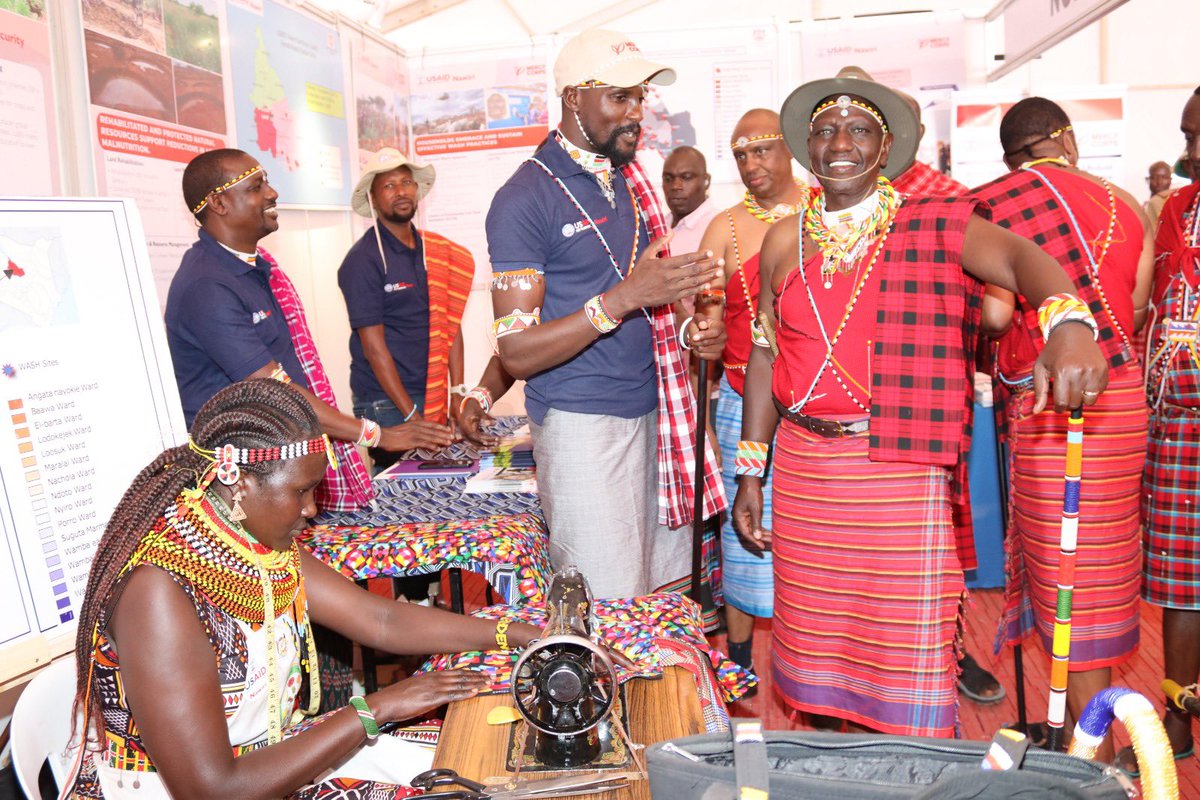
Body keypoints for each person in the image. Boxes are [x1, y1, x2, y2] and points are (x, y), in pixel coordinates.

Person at [731, 70, 1109, 738]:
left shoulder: (934, 224)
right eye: (823, 130)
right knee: (815, 665)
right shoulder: (781, 240)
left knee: (904, 658)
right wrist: (751, 470)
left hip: (897, 473)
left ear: (884, 150)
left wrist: (1069, 323)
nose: (838, 141)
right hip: (803, 475)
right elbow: (765, 352)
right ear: (807, 148)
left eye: (857, 130)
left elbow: (1026, 262)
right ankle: (833, 778)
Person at [65, 379, 542, 799]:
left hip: (268, 763)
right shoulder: (158, 593)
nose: (313, 509)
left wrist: (511, 634)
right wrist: (377, 707)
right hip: (194, 790)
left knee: (485, 764)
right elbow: (211, 789)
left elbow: (382, 619)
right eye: (301, 491)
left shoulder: (253, 544)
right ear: (239, 483)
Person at [482, 28, 726, 598]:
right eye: (620, 97)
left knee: (661, 597)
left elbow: (655, 299)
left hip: (657, 414)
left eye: (640, 97)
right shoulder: (523, 199)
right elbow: (516, 351)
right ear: (574, 98)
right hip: (581, 426)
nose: (635, 112)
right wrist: (619, 301)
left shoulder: (630, 181)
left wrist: (694, 331)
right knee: (608, 605)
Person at [972, 97, 1153, 760]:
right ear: (1065, 141)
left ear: (1009, 154)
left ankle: (1090, 753)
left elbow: (994, 314)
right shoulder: (1125, 201)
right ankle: (1090, 736)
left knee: (1067, 578)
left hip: (1055, 409)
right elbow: (1134, 306)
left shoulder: (995, 202)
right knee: (1102, 568)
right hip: (1120, 398)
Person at [166, 149, 452, 512]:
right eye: (257, 187)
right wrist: (376, 433)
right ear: (219, 202)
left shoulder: (256, 268)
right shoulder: (207, 284)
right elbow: (274, 392)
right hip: (236, 482)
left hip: (275, 464)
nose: (272, 193)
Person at [879, 80, 1007, 707]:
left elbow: (999, 310)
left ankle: (948, 654)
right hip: (840, 414)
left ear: (912, 133)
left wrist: (928, 309)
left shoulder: (950, 199)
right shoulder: (831, 200)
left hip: (926, 400)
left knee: (939, 545)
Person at [693, 108, 808, 672]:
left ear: (789, 150)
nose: (751, 163)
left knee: (816, 530)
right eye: (740, 154)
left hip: (817, 408)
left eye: (761, 149)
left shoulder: (827, 209)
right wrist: (707, 420)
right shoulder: (726, 227)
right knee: (745, 533)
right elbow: (708, 325)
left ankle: (814, 653)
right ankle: (740, 661)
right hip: (742, 395)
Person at [1132, 85, 1200, 776]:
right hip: (1178, 425)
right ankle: (1178, 722)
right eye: (1186, 139)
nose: (1191, 156)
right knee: (1183, 585)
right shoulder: (1180, 209)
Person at [338, 148, 474, 471]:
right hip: (385, 402)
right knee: (396, 491)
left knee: (439, 485)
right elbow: (374, 348)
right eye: (388, 186)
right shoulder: (362, 261)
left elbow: (450, 325)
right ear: (372, 197)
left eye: (406, 182)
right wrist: (412, 417)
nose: (400, 191)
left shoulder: (436, 251)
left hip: (432, 391)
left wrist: (457, 390)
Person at [662, 145, 718, 251]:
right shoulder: (657, 226)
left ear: (706, 181)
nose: (675, 186)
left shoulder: (719, 226)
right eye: (668, 178)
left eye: (686, 178)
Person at [1145, 160, 1174, 231]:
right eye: (1154, 177)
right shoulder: (1147, 204)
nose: (1159, 182)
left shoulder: (1175, 201)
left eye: (1163, 177)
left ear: (1170, 180)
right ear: (1148, 180)